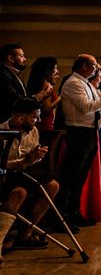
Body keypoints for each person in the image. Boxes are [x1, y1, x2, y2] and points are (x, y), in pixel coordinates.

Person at [58, 54, 101, 227]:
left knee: (81, 175)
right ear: (83, 65)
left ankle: (74, 212)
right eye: (94, 66)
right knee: (72, 176)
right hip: (77, 131)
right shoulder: (73, 83)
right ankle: (62, 216)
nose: (97, 69)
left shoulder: (87, 84)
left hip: (90, 131)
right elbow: (85, 107)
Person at [0, 97, 59, 256]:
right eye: (34, 117)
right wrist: (23, 162)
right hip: (4, 175)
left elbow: (30, 160)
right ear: (20, 118)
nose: (38, 120)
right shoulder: (1, 132)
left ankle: (25, 232)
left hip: (24, 172)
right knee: (19, 192)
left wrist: (35, 157)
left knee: (52, 185)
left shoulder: (33, 131)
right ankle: (1, 238)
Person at [0, 44, 53, 123]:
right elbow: (15, 99)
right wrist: (39, 96)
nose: (25, 59)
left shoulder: (14, 74)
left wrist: (42, 94)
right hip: (6, 123)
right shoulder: (2, 74)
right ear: (10, 58)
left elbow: (25, 96)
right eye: (21, 56)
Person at [26, 56, 62, 132]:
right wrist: (60, 98)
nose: (57, 71)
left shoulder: (37, 82)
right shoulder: (46, 85)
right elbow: (46, 108)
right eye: (55, 68)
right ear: (48, 70)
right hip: (45, 122)